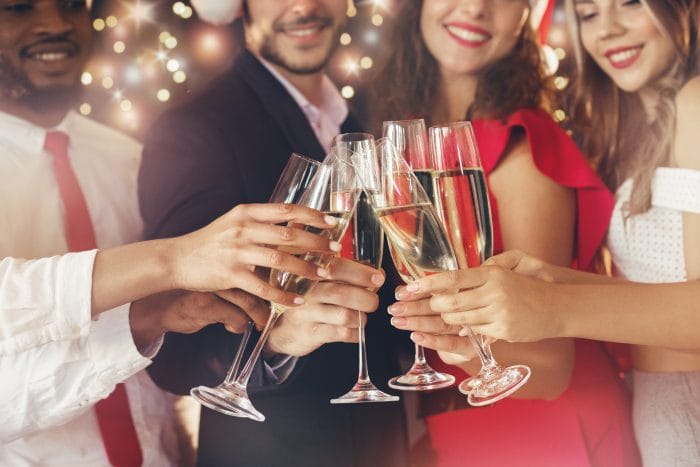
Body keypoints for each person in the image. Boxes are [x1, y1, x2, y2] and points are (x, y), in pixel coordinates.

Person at [0, 0, 341, 464]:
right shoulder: (188, 132)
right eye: (18, 8)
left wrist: (151, 317)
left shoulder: (124, 156)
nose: (56, 24)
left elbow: (172, 360)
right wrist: (174, 259)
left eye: (70, 5)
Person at [404, 0, 700, 464]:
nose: (609, 30)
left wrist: (550, 302)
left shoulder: (695, 100)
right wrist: (547, 283)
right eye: (587, 14)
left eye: (630, 3)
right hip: (656, 408)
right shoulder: (624, 128)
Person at [138, 0, 409, 465]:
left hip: (386, 445)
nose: (304, 6)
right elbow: (173, 350)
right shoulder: (192, 128)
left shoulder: (365, 116)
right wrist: (279, 340)